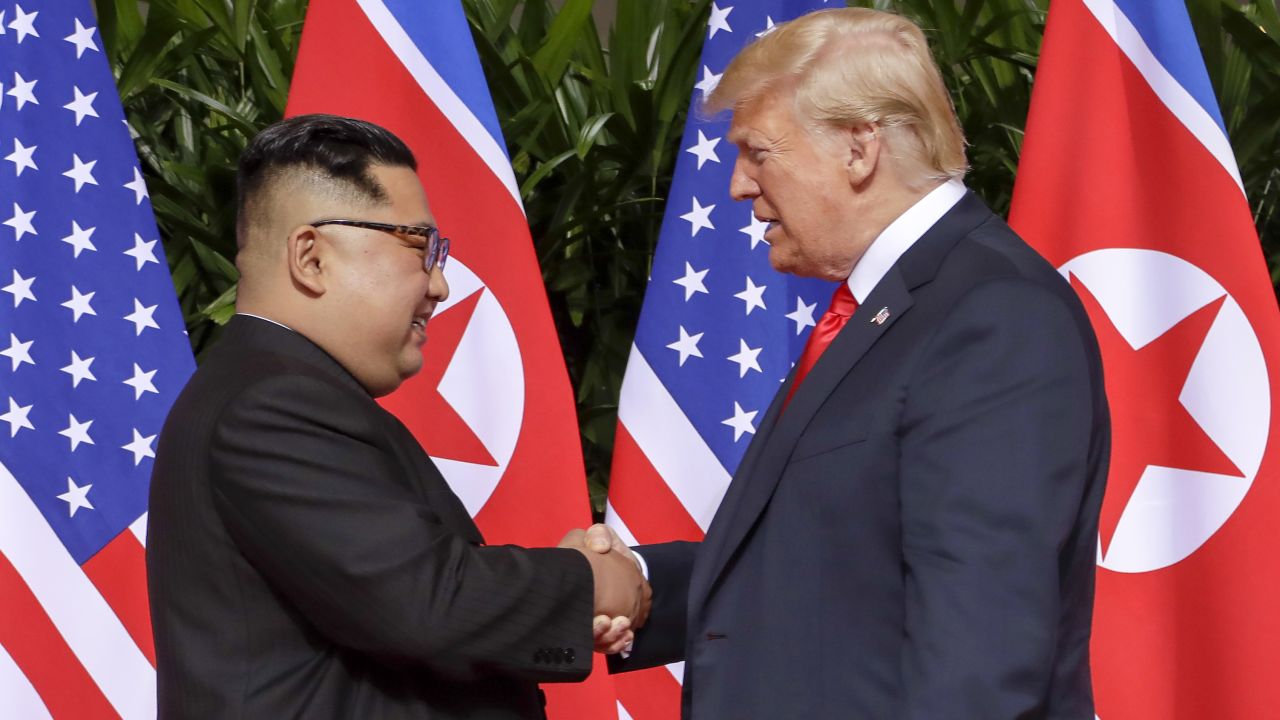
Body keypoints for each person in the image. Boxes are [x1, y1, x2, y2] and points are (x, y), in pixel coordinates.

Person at [585, 8, 1109, 719]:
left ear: (860, 147)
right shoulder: (889, 304)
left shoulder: (993, 316)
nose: (738, 185)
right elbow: (823, 566)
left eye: (759, 151)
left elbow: (978, 657)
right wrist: (637, 581)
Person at [147, 114, 646, 719]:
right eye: (420, 245)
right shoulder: (270, 405)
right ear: (311, 257)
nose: (439, 284)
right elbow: (429, 604)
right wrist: (590, 583)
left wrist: (624, 582)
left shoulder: (276, 390)